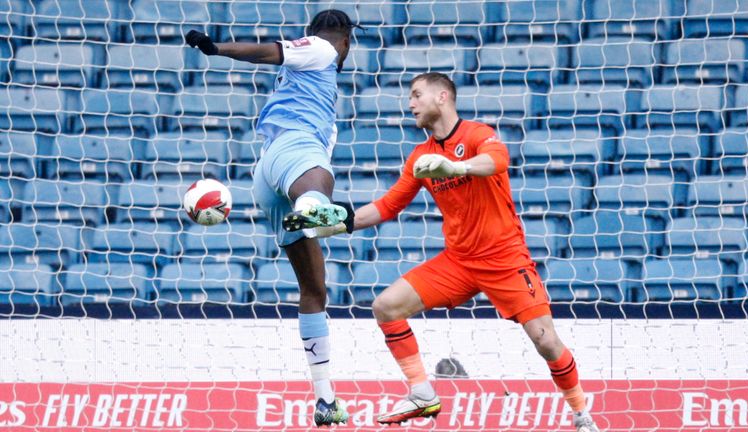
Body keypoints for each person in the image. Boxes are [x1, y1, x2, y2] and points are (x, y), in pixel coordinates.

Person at [316, 72, 601, 431]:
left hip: (504, 257)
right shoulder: (421, 157)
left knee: (546, 340)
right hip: (459, 261)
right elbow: (388, 206)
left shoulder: (477, 134)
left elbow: (497, 160)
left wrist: (457, 166)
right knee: (386, 307)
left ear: (443, 97)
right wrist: (339, 222)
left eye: (417, 95)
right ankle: (421, 393)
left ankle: (581, 415)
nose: (410, 103)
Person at [184, 10, 361, 427]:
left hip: (268, 176)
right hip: (293, 154)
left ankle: (325, 399)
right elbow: (270, 51)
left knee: (314, 290)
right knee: (318, 181)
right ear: (346, 41)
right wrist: (216, 48)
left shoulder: (309, 77)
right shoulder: (320, 49)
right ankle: (313, 206)